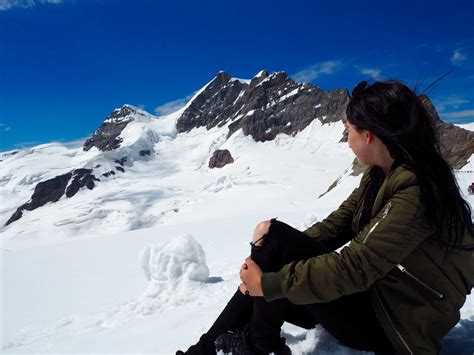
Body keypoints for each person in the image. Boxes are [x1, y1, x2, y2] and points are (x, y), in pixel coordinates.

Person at [176, 80, 474, 355]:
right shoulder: (382, 175)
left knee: (274, 263)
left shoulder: (416, 190)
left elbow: (355, 267)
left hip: (395, 326)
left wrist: (268, 283)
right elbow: (338, 224)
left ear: (368, 135)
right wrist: (269, 259)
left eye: (349, 132)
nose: (347, 140)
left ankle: (255, 346)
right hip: (379, 299)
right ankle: (215, 348)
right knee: (272, 238)